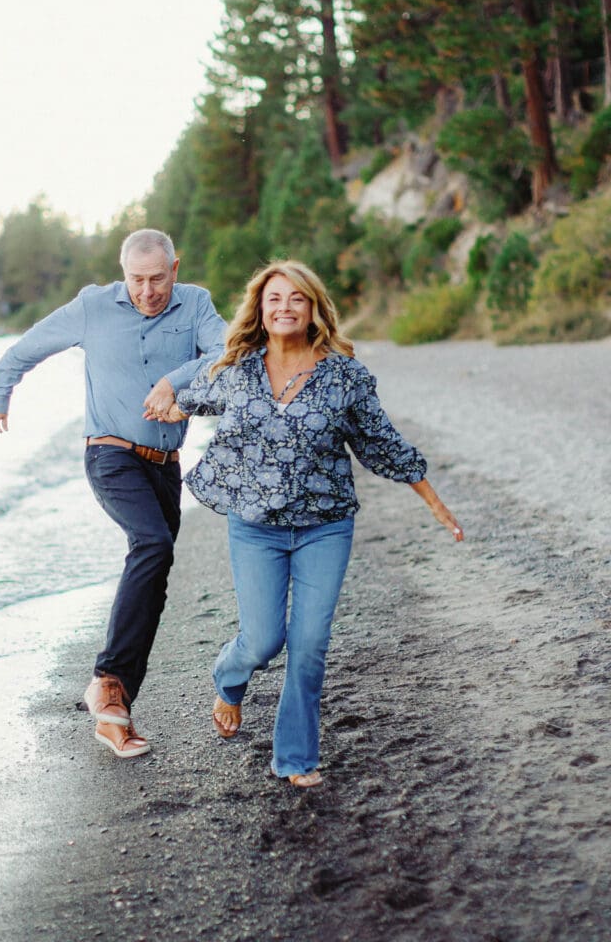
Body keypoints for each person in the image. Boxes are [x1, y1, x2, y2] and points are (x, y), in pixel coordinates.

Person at [164, 260, 463, 788]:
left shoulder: (344, 376)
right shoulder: (236, 370)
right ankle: (229, 682)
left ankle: (296, 757)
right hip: (255, 527)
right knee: (261, 641)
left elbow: (380, 442)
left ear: (313, 308)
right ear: (260, 308)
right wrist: (144, 411)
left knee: (309, 645)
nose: (284, 307)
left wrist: (431, 499)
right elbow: (179, 401)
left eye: (296, 299)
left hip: (325, 526)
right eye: (274, 298)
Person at [0, 228, 225, 759]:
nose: (147, 291)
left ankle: (116, 705)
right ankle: (108, 682)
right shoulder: (93, 306)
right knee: (152, 545)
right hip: (110, 454)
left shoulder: (197, 304)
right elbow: (27, 349)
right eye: (136, 280)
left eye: (157, 278)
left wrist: (174, 380)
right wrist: (0, 394)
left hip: (165, 465)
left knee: (155, 575)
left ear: (175, 269)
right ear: (123, 274)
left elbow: (230, 352)